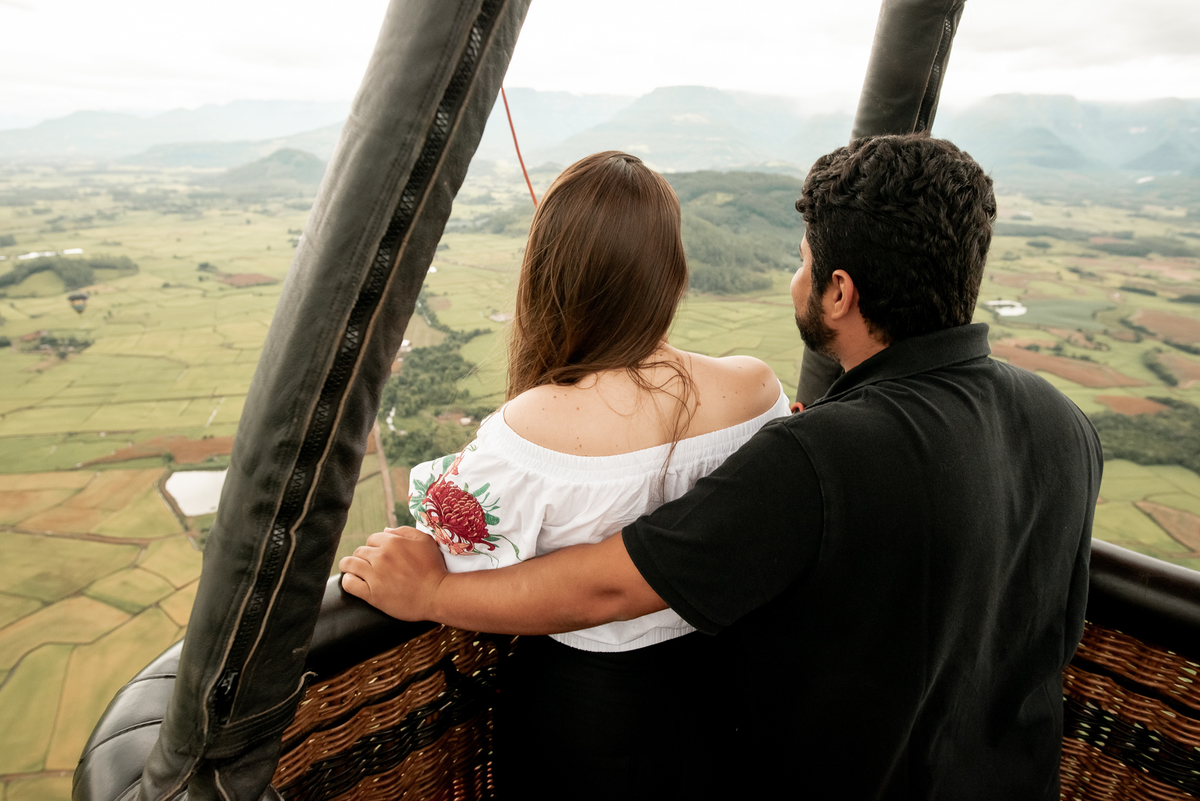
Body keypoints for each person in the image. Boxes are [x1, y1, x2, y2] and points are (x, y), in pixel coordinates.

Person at [341, 134, 1103, 799]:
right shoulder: (1064, 423)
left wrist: (435, 586)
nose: (797, 280)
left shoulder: (825, 456)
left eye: (805, 264)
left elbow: (616, 579)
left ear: (840, 292)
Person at [345, 150, 789, 798]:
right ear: (672, 274)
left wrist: (427, 588)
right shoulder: (755, 391)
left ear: (548, 275)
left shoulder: (530, 429)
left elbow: (442, 543)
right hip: (723, 688)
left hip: (588, 712)